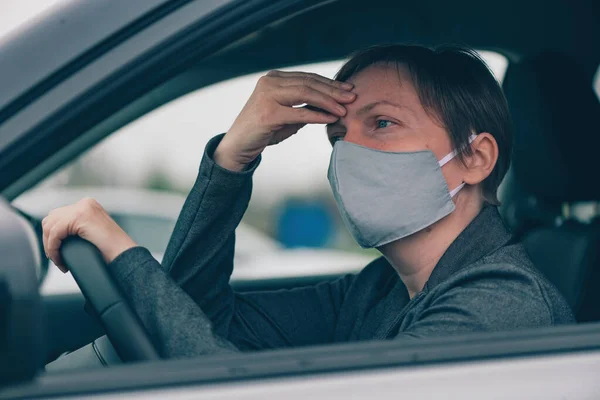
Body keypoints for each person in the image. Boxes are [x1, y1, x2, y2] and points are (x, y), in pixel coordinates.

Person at [41, 44, 574, 358]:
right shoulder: (380, 290)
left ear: (476, 158)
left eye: (382, 124)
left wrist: (119, 250)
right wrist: (231, 159)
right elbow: (199, 320)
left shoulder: (501, 306)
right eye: (337, 136)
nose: (349, 154)